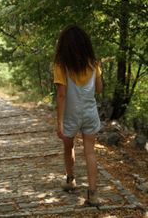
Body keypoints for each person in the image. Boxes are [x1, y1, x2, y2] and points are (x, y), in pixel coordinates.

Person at [53, 25, 102, 207]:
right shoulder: (94, 64)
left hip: (70, 115)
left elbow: (61, 95)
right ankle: (93, 193)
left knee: (68, 146)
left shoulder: (61, 66)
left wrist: (59, 123)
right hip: (90, 113)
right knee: (90, 152)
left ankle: (70, 178)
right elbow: (99, 89)